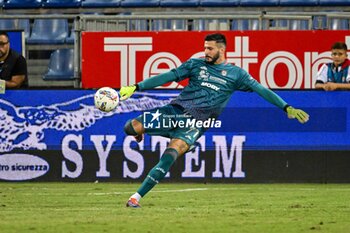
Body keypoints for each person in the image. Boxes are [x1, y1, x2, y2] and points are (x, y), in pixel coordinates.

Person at [120, 33, 309, 208]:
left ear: (222, 50)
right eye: (205, 48)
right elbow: (169, 76)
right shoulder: (195, 65)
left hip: (196, 122)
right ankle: (166, 137)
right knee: (130, 128)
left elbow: (262, 90)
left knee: (170, 154)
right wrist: (137, 86)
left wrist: (287, 107)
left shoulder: (237, 75)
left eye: (210, 49)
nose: (206, 52)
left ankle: (135, 198)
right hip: (174, 111)